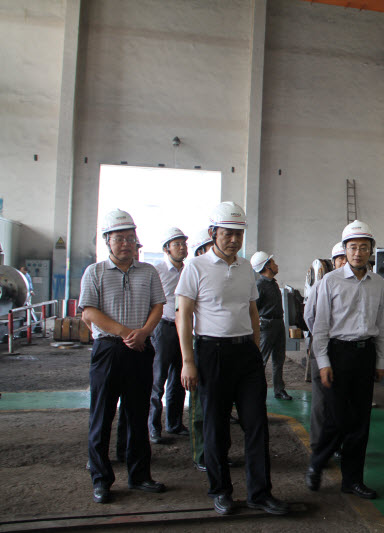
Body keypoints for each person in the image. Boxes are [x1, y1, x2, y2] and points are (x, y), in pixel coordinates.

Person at [176, 201, 288, 516]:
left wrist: (254, 348)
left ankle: (260, 493)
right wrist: (188, 361)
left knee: (256, 425)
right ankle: (221, 491)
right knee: (216, 427)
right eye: (228, 233)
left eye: (239, 234)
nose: (234, 240)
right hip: (212, 354)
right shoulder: (195, 267)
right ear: (213, 232)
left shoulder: (246, 269)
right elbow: (184, 316)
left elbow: (252, 311)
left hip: (245, 355)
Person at [79, 209, 167, 504]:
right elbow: (90, 312)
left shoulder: (149, 272)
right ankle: (101, 480)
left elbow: (158, 306)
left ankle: (140, 476)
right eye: (120, 238)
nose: (126, 243)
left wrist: (144, 333)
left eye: (131, 238)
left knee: (138, 415)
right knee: (101, 416)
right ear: (107, 240)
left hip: (141, 349)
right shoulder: (95, 272)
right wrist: (128, 333)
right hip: (108, 350)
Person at [306, 220, 384, 500]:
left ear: (371, 250)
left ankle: (352, 480)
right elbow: (320, 325)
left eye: (363, 247)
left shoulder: (378, 283)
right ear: (344, 250)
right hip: (337, 354)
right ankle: (317, 462)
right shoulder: (330, 281)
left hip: (365, 355)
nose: (358, 253)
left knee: (361, 422)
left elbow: (382, 323)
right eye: (352, 247)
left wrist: (380, 362)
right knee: (337, 417)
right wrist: (323, 362)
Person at [148, 227, 190, 444]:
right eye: (177, 244)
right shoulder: (157, 271)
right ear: (167, 249)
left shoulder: (189, 271)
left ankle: (174, 424)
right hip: (163, 329)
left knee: (179, 378)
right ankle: (154, 428)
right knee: (158, 379)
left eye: (184, 243)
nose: (182, 248)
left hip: (183, 329)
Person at [304, 242, 347, 455]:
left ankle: (336, 444)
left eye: (346, 258)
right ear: (333, 262)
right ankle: (318, 446)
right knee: (321, 400)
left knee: (341, 400)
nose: (345, 262)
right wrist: (322, 337)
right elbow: (309, 316)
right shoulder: (322, 284)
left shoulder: (356, 285)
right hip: (323, 346)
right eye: (340, 259)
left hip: (344, 350)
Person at [185, 229, 214, 471]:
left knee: (218, 406)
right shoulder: (193, 273)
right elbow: (183, 317)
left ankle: (216, 452)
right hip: (201, 345)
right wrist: (188, 361)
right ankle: (202, 454)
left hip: (221, 349)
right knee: (200, 406)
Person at [250, 251, 292, 401]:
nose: (276, 265)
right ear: (267, 266)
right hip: (266, 326)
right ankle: (255, 390)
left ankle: (279, 390)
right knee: (261, 360)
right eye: (273, 262)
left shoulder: (273, 283)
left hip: (278, 324)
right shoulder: (259, 285)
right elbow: (254, 309)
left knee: (279, 359)